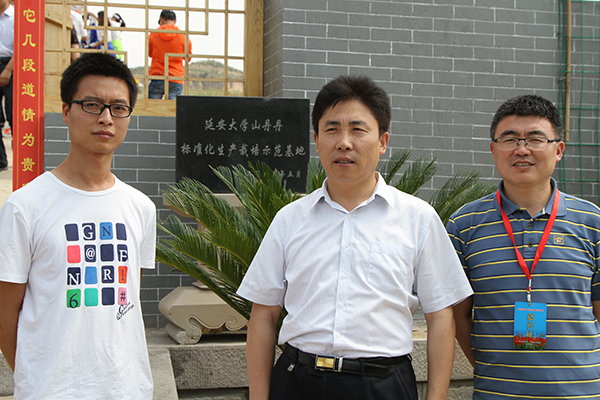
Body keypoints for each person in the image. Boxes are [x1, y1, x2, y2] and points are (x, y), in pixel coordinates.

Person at [237, 75, 473, 400]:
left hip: (382, 386)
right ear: (317, 139)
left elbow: (440, 317)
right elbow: (263, 315)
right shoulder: (289, 220)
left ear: (383, 141)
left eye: (358, 130)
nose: (344, 143)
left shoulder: (418, 218)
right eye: (332, 129)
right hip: (297, 382)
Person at [0, 52, 155, 399]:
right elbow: (4, 314)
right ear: (66, 111)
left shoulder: (141, 207)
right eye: (92, 105)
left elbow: (126, 300)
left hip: (128, 389)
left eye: (118, 108)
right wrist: (37, 378)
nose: (106, 118)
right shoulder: (25, 207)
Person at [447, 94, 600, 399]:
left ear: (558, 150)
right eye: (509, 139)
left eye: (535, 139)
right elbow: (458, 318)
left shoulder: (592, 222)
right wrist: (493, 370)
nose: (521, 149)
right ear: (493, 150)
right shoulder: (463, 226)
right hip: (497, 393)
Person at [148, 10, 192, 100]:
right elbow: (188, 58)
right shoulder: (183, 36)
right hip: (175, 77)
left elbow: (149, 53)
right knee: (173, 107)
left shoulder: (153, 34)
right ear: (175, 21)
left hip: (157, 75)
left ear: (161, 20)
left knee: (153, 107)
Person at [0, 0, 11, 171]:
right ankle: (1, 161)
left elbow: (23, 46)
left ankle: (22, 159)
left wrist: (8, 70)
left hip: (11, 67)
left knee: (13, 114)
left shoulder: (17, 17)